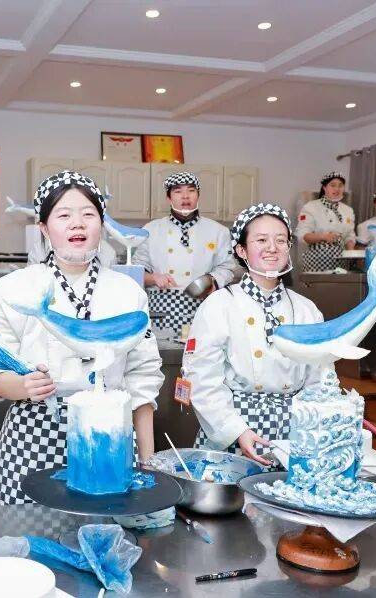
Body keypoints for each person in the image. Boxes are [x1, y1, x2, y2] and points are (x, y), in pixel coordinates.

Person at [0, 170, 163, 504]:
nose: (78, 224)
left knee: (105, 527)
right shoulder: (15, 289)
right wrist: (22, 386)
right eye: (64, 215)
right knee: (31, 533)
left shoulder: (128, 292)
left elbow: (143, 376)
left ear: (102, 224)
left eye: (88, 214)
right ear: (44, 228)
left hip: (111, 436)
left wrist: (147, 461)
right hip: (32, 436)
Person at [183, 204, 324, 465]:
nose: (272, 247)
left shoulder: (307, 309)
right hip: (233, 428)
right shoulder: (218, 304)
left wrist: (312, 426)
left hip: (293, 433)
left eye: (280, 240)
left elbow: (320, 380)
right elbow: (201, 379)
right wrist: (236, 431)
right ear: (241, 250)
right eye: (261, 240)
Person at [134, 171, 236, 333]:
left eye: (191, 190)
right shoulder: (151, 230)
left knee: (201, 347)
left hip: (203, 306)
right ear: (169, 198)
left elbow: (227, 268)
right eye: (178, 191)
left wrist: (212, 281)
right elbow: (136, 272)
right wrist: (154, 277)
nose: (185, 196)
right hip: (161, 310)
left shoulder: (218, 231)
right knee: (163, 348)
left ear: (198, 195)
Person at [296, 171, 356, 272]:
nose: (337, 189)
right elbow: (303, 235)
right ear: (324, 188)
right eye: (333, 185)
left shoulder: (348, 210)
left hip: (341, 261)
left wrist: (351, 252)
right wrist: (323, 236)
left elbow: (349, 235)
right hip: (316, 261)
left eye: (340, 186)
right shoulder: (310, 207)